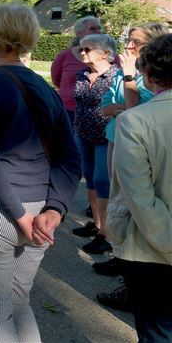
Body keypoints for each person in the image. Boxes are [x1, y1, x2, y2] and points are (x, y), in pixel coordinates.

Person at [0, 2, 81, 343]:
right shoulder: (45, 89)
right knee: (18, 301)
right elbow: (70, 157)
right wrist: (55, 209)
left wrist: (18, 213)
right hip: (40, 207)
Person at [94, 22, 170, 309]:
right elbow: (108, 105)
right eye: (128, 41)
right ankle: (125, 266)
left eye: (135, 43)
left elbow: (135, 108)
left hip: (137, 137)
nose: (128, 47)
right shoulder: (127, 73)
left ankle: (132, 278)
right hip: (119, 137)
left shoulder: (139, 80)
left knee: (134, 200)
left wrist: (128, 81)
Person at [108, 33, 172, 342]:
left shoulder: (135, 121)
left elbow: (139, 197)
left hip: (153, 251)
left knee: (158, 331)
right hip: (156, 246)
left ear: (147, 73)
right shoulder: (137, 120)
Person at [72, 33, 118, 255]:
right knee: (89, 176)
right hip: (83, 133)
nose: (82, 52)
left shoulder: (117, 76)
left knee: (102, 180)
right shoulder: (82, 73)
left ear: (106, 53)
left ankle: (106, 234)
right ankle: (97, 224)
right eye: (81, 48)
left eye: (87, 49)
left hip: (104, 135)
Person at [51, 16, 102, 123]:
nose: (98, 31)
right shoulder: (64, 56)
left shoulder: (110, 56)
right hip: (69, 111)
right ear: (79, 33)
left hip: (100, 113)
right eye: (92, 28)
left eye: (99, 28)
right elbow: (56, 80)